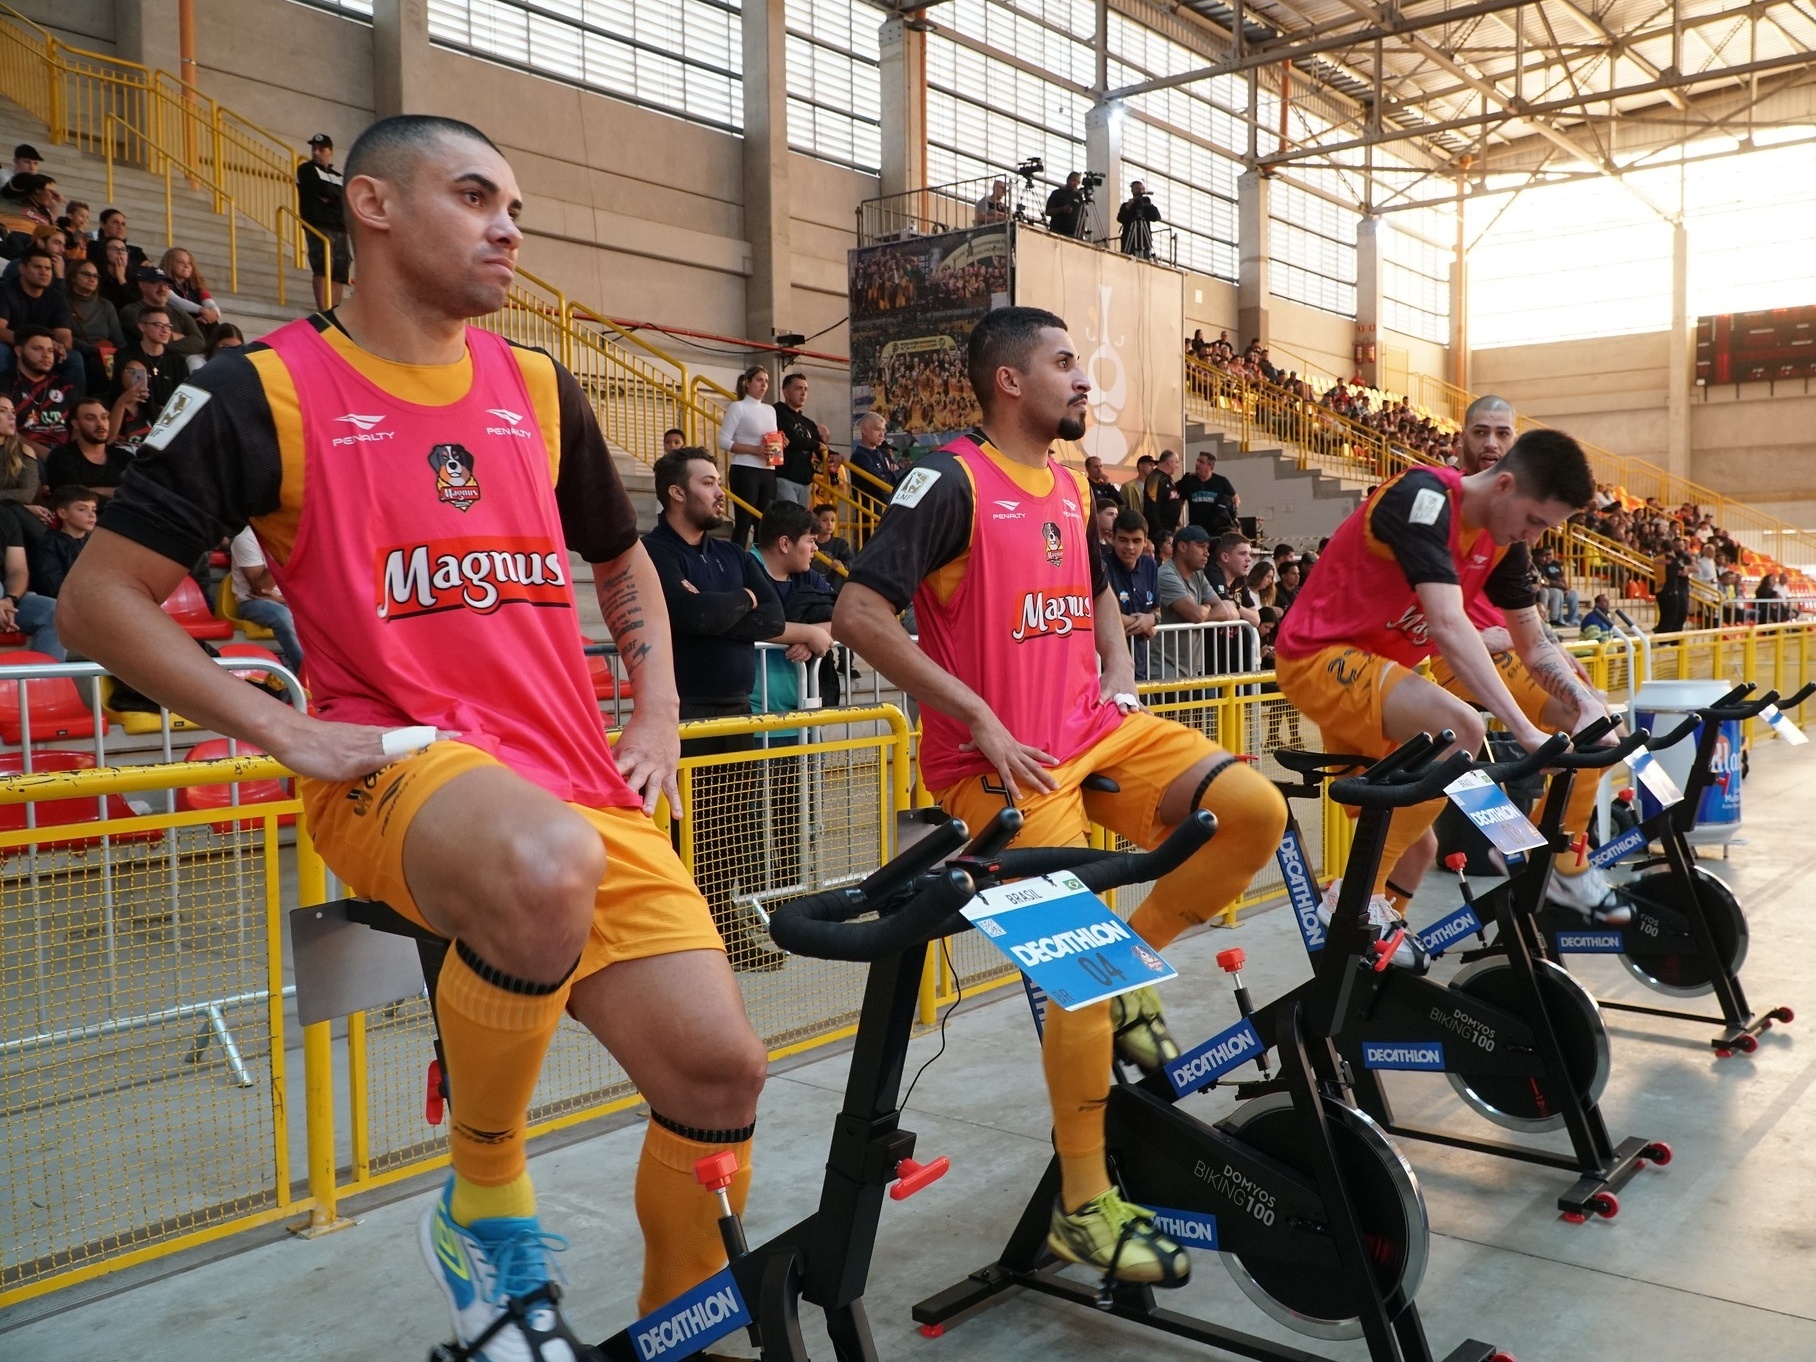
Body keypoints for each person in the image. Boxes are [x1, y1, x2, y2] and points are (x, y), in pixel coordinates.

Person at [59, 114, 769, 1359]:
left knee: (722, 1079)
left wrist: (653, 711)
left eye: (517, 208)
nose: (508, 227)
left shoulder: (540, 388)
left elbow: (624, 566)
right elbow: (96, 599)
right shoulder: (258, 388)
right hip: (395, 769)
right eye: (478, 195)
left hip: (572, 784)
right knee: (541, 863)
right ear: (373, 206)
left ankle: (681, 1336)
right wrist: (281, 728)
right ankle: (484, 1204)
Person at [833, 304, 1286, 1287]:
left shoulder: (1074, 480)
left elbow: (1089, 603)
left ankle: (1140, 969)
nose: (1084, 381)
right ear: (1009, 381)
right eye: (1065, 363)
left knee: (1253, 811)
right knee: (1075, 970)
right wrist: (979, 720)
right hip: (996, 769)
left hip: (1092, 728)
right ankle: (1085, 1201)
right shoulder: (948, 478)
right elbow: (857, 612)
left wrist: (1118, 671)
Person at [1273, 429, 1613, 950]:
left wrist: (1586, 704)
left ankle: (1365, 954)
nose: (1534, 536)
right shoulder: (1424, 498)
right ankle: (1352, 900)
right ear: (1503, 485)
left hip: (1389, 679)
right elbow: (1449, 625)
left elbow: (1533, 642)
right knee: (1463, 729)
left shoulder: (1504, 544)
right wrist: (1522, 730)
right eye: (1534, 521)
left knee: (1418, 848)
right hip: (1317, 658)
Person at [1434, 394, 1625, 920]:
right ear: (1461, 439)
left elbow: (1524, 619)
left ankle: (1547, 856)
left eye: (1501, 433)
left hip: (1495, 654)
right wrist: (1489, 636)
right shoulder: (1437, 503)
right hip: (1441, 661)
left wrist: (1553, 655)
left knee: (1594, 720)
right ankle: (1543, 858)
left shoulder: (1513, 519)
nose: (1490, 443)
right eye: (1479, 432)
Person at [642, 446, 789, 971]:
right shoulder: (653, 551)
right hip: (685, 714)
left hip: (736, 710)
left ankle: (722, 929)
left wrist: (732, 604)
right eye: (708, 482)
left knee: (731, 831)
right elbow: (689, 616)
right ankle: (685, 939)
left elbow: (772, 616)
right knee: (688, 834)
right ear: (677, 493)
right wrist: (735, 603)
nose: (720, 491)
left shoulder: (730, 555)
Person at [0, 246, 81, 390]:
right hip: (14, 348)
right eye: (37, 267)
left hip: (45, 351)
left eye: (48, 268)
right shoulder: (5, 291)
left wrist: (56, 346)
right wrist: (30, 344)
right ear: (22, 268)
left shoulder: (57, 297)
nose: (44, 272)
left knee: (73, 358)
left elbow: (65, 338)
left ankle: (75, 408)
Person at [719, 364, 781, 548]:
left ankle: (759, 562)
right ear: (747, 383)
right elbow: (723, 441)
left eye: (767, 381)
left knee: (764, 523)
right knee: (744, 521)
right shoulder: (738, 407)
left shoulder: (770, 410)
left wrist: (780, 443)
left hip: (768, 469)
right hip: (745, 469)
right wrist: (754, 449)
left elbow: (770, 438)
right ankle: (736, 560)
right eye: (759, 380)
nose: (763, 385)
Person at [227, 525, 304, 673]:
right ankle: (306, 672)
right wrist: (283, 554)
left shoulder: (292, 537)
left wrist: (284, 599)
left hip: (286, 600)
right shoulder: (245, 539)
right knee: (283, 617)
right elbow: (261, 588)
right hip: (254, 602)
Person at [1104, 509, 1159, 680]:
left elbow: (1156, 610)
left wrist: (1152, 620)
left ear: (1145, 541)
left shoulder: (1150, 565)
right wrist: (1143, 625)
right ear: (1111, 538)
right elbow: (1103, 615)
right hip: (1108, 668)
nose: (1130, 547)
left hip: (1141, 664)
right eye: (1123, 540)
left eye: (1136, 541)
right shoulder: (1102, 566)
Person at [296, 133, 349, 309]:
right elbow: (321, 189)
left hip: (340, 227)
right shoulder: (306, 170)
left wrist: (331, 196)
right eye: (314, 149)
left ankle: (334, 310)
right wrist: (331, 195)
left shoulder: (339, 176)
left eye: (321, 149)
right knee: (322, 266)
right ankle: (323, 309)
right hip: (318, 224)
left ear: (330, 152)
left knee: (339, 270)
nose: (316, 152)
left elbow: (342, 198)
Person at [45, 395, 131, 498]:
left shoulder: (123, 457)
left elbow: (141, 493)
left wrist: (95, 491)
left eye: (104, 417)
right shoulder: (62, 456)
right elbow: (75, 498)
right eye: (90, 418)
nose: (100, 424)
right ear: (76, 424)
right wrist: (120, 493)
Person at [7, 326, 74, 451]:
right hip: (21, 452)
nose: (46, 355)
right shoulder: (5, 384)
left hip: (65, 455)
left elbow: (79, 424)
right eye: (38, 349)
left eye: (50, 350)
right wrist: (45, 454)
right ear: (19, 351)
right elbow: (5, 432)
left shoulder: (65, 386)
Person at [113, 307, 188, 418]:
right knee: (136, 369)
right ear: (142, 326)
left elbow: (183, 396)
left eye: (168, 326)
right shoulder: (126, 356)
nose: (165, 330)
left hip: (170, 419)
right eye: (158, 325)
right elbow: (134, 396)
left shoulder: (177, 360)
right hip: (137, 419)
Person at [120, 267, 207, 361]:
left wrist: (164, 344)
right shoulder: (132, 311)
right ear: (142, 285)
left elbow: (199, 342)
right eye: (156, 283)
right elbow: (149, 337)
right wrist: (179, 337)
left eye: (166, 284)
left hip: (181, 364)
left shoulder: (179, 312)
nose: (163, 288)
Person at [26, 483, 95, 600]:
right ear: (62, 513)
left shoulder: (97, 542)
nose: (91, 514)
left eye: (94, 509)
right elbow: (52, 588)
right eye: (82, 509)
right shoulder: (48, 545)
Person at [65, 257, 125, 384]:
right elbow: (64, 337)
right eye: (86, 274)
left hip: (105, 356)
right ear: (72, 277)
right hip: (78, 353)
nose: (92, 279)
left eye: (96, 276)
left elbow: (119, 340)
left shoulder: (106, 305)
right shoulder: (63, 302)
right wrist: (93, 350)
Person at [0, 394, 47, 547]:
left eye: (13, 412)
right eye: (2, 411)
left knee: (12, 509)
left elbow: (26, 493)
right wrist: (25, 508)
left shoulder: (23, 451)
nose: (12, 417)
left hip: (12, 515)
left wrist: (22, 506)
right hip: (14, 511)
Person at [770, 371, 823, 507]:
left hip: (804, 480)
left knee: (800, 523)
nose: (803, 393)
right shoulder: (776, 412)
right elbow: (792, 438)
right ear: (786, 392)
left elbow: (822, 446)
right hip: (784, 476)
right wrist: (816, 444)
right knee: (791, 519)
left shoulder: (809, 423)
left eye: (805, 389)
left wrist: (834, 456)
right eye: (798, 388)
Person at [1174, 449, 1239, 534]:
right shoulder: (1189, 481)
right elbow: (1180, 500)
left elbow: (1236, 500)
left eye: (1201, 462)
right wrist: (1177, 519)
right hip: (1196, 528)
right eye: (1197, 461)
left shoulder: (1221, 481)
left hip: (1217, 529)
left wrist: (1228, 514)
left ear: (1210, 466)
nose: (1197, 464)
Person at [159, 247, 222, 329]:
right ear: (169, 264)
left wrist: (215, 313)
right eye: (180, 262)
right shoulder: (162, 283)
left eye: (189, 263)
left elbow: (210, 304)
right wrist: (202, 310)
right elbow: (175, 301)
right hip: (177, 325)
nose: (186, 266)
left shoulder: (196, 286)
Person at [1142, 448, 1183, 543]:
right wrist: (1159, 531)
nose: (1177, 466)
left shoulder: (1167, 478)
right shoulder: (1155, 477)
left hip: (1170, 529)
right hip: (1160, 532)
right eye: (1176, 462)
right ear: (1169, 462)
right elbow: (1151, 506)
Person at [93, 209, 147, 278]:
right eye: (115, 222)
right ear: (103, 225)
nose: (120, 227)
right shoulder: (94, 247)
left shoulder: (137, 252)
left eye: (123, 224)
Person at [1534, 544, 1578, 625]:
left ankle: (1572, 619)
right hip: (1547, 589)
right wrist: (1561, 586)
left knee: (1573, 594)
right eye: (1545, 555)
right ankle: (1556, 619)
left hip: (1558, 588)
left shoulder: (1555, 564)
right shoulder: (1540, 565)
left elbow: (1561, 578)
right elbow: (1547, 582)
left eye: (1549, 554)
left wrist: (1567, 589)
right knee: (1557, 592)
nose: (1546, 557)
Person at [1117, 180, 1159, 258]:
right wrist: (1128, 207)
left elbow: (1156, 217)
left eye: (1141, 189)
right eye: (1136, 189)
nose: (1139, 191)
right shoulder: (1126, 205)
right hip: (1130, 242)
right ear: (1132, 190)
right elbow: (1120, 218)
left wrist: (1150, 205)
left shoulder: (1146, 206)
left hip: (1144, 243)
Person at [811, 502, 853, 579]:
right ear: (816, 521)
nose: (829, 524)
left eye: (833, 520)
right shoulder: (810, 543)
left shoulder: (840, 544)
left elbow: (851, 561)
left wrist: (843, 565)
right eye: (824, 520)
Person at [1044, 171, 1084, 238]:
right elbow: (1048, 211)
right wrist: (1062, 209)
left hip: (1073, 235)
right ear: (1068, 180)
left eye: (1078, 182)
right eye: (1074, 180)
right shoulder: (1056, 193)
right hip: (1057, 231)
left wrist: (1081, 232)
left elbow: (1083, 216)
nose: (1075, 184)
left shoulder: (1079, 197)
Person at [1121, 453, 1154, 518]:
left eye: (1153, 466)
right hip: (1135, 524)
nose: (1153, 468)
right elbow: (1121, 509)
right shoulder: (1128, 487)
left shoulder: (1155, 487)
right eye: (1150, 465)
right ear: (1141, 466)